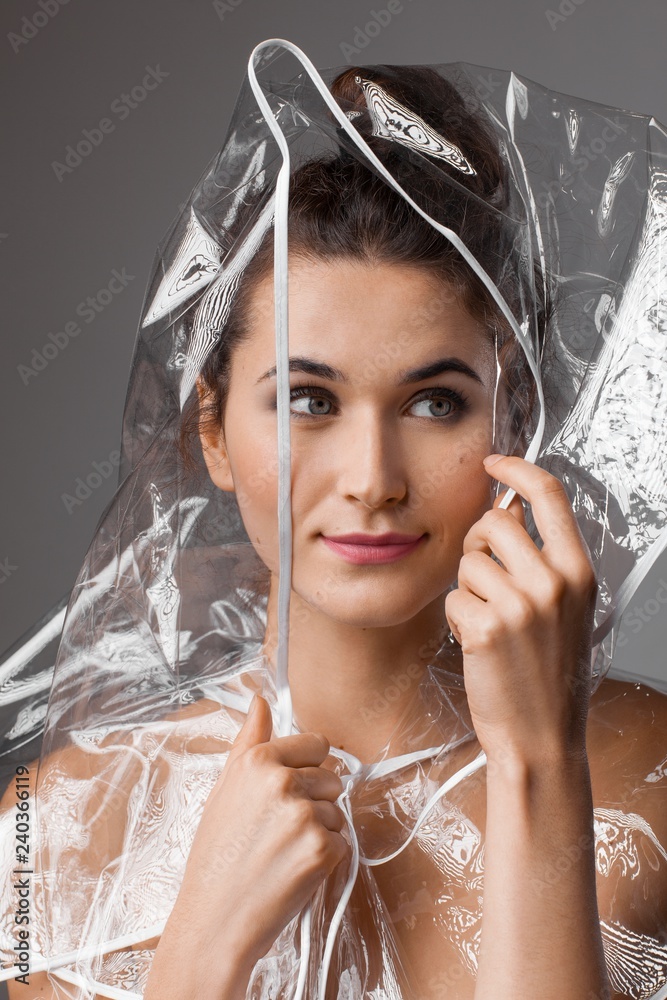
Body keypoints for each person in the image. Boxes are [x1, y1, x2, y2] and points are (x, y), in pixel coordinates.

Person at [1, 41, 666, 1000]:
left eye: (433, 402)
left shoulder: (645, 779)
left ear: (515, 421)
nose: (372, 480)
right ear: (215, 433)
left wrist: (536, 766)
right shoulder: (54, 825)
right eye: (309, 400)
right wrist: (200, 954)